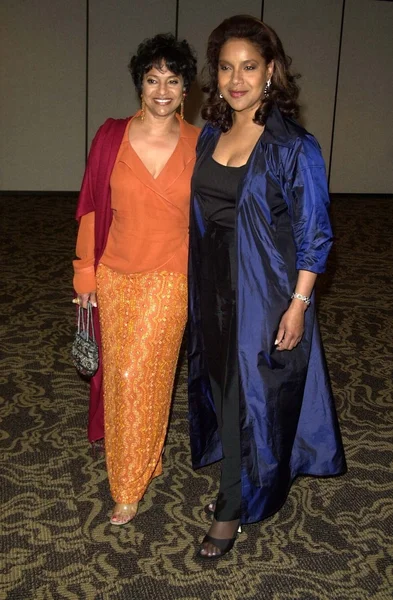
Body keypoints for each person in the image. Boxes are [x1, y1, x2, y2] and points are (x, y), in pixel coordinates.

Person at [188, 15, 346, 559]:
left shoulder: (293, 146)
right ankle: (244, 477)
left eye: (249, 67)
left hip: (262, 290)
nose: (237, 79)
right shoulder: (212, 134)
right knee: (220, 385)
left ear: (271, 71)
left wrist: (298, 304)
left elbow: (315, 233)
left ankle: (233, 506)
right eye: (227, 67)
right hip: (210, 283)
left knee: (246, 398)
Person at [73, 33, 199, 525]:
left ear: (185, 87)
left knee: (140, 375)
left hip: (172, 274)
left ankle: (126, 485)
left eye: (172, 80)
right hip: (114, 274)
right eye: (152, 79)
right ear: (139, 86)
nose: (162, 89)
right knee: (124, 378)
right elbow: (90, 211)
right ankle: (148, 455)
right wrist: (84, 276)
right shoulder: (110, 136)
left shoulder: (201, 141)